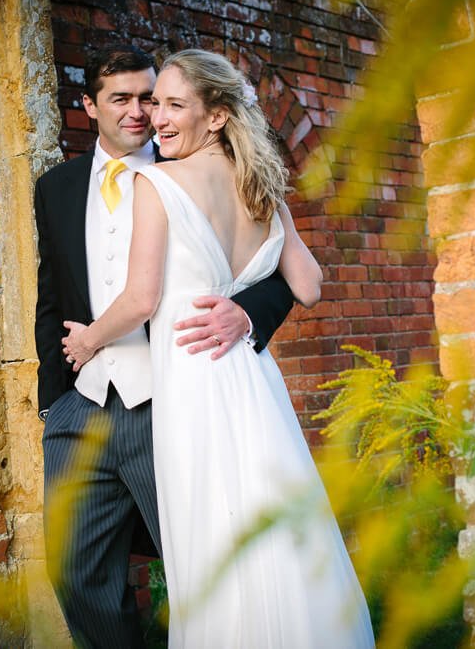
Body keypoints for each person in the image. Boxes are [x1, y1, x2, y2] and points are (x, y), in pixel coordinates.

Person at [61, 49, 375, 648]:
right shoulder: (260, 187)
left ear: (218, 117)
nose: (158, 119)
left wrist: (89, 339)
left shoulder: (153, 182)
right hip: (253, 385)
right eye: (158, 104)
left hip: (195, 389)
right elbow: (309, 285)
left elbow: (142, 297)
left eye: (176, 105)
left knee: (210, 543)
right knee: (273, 528)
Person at [34, 46, 296, 649]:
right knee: (75, 573)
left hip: (171, 404)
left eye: (148, 98)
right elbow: (52, 293)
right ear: (89, 106)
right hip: (84, 407)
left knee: (198, 570)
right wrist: (55, 400)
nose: (139, 112)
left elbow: (278, 275)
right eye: (120, 99)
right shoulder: (57, 187)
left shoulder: (197, 168)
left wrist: (246, 314)